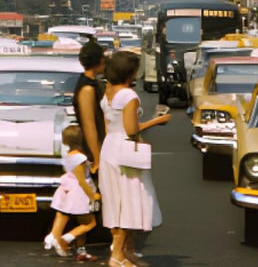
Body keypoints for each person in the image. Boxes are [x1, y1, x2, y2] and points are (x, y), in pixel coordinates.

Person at [100, 50, 168, 267]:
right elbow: (131, 129)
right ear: (130, 73)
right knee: (130, 201)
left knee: (115, 201)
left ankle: (125, 251)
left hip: (109, 147)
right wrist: (158, 121)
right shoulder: (129, 96)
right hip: (125, 150)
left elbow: (109, 126)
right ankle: (117, 255)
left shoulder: (108, 93)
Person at [45, 124, 100, 261]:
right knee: (90, 223)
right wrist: (93, 196)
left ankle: (76, 247)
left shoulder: (69, 155)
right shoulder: (79, 157)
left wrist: (90, 167)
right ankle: (65, 239)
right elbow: (81, 180)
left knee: (72, 218)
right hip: (80, 192)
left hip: (68, 189)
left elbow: (79, 172)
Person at [74, 40, 107, 174]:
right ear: (99, 61)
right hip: (92, 151)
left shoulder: (94, 83)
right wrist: (97, 158)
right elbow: (89, 126)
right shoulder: (87, 88)